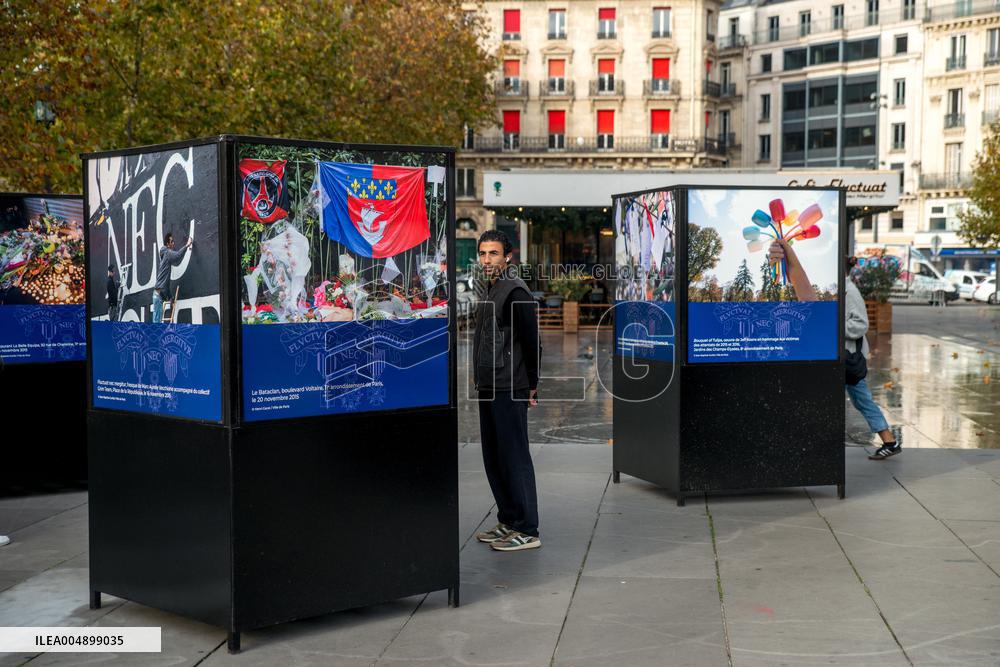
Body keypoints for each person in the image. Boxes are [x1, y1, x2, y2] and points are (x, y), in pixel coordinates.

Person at [472, 230, 542, 552]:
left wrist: (532, 384)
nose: (487, 260)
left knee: (514, 457)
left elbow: (531, 341)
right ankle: (510, 519)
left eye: (494, 253)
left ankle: (527, 528)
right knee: (494, 457)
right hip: (489, 384)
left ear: (508, 256)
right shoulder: (490, 288)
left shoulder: (515, 291)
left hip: (510, 385)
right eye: (483, 253)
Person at [844, 256, 900, 460]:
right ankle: (889, 441)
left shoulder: (850, 292)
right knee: (862, 400)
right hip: (845, 356)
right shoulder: (842, 289)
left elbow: (861, 324)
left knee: (860, 399)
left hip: (848, 357)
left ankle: (890, 441)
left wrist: (834, 326)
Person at [152, 232, 192, 323]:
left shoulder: (165, 255)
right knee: (157, 324)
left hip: (158, 295)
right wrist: (187, 245)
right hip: (158, 296)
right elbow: (178, 256)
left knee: (157, 322)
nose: (174, 243)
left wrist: (170, 297)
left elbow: (165, 283)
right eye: (172, 241)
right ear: (167, 244)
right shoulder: (167, 253)